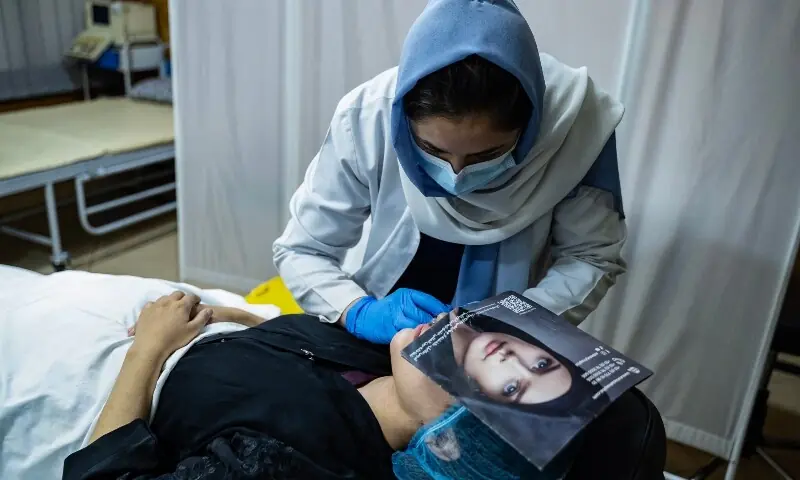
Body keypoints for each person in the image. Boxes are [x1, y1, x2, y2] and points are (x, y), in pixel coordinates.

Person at [273, 0, 627, 346]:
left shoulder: (574, 127)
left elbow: (590, 257)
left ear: (531, 128)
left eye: (487, 154)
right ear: (403, 122)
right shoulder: (367, 118)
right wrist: (357, 311)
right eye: (433, 151)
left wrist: (518, 322)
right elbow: (302, 250)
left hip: (498, 344)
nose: (456, 175)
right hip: (377, 319)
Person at [61, 292, 563, 480]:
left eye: (510, 386)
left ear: (449, 442)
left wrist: (147, 349)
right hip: (184, 321)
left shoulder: (289, 461)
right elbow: (280, 358)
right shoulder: (380, 356)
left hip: (103, 376)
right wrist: (237, 318)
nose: (496, 346)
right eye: (539, 360)